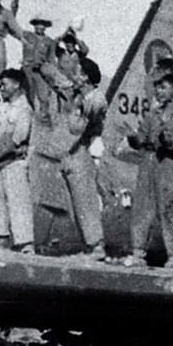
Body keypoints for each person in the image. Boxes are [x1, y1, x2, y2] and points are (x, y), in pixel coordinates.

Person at [125, 72, 173, 268]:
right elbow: (141, 139)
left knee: (169, 208)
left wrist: (168, 140)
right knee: (142, 207)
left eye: (163, 87)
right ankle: (138, 252)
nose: (158, 91)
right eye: (157, 87)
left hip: (169, 164)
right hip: (148, 161)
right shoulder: (151, 115)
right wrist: (132, 137)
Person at [0, 68, 34, 253]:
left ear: (17, 84)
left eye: (5, 83)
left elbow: (13, 141)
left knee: (18, 206)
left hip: (13, 163)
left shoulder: (23, 109)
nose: (1, 86)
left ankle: (25, 246)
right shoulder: (4, 106)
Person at [60, 57, 107, 259]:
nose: (74, 77)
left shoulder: (95, 99)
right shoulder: (80, 98)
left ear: (86, 77)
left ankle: (97, 246)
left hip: (84, 152)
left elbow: (86, 124)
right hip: (72, 153)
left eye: (78, 73)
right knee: (77, 202)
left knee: (86, 199)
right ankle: (88, 246)